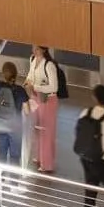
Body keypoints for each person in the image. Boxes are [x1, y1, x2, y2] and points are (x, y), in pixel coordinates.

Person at [24, 45, 63, 175]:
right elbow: (30, 74)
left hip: (48, 100)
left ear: (44, 50)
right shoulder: (32, 60)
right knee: (38, 128)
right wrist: (28, 82)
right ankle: (40, 156)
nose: (33, 50)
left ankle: (47, 164)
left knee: (46, 131)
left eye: (37, 48)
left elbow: (54, 87)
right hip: (36, 97)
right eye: (33, 47)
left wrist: (35, 86)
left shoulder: (49, 65)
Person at [0, 62, 31, 171]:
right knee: (14, 155)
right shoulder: (21, 91)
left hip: (0, 123)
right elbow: (27, 111)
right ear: (16, 74)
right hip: (15, 127)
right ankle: (13, 184)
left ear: (3, 74)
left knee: (1, 151)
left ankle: (0, 178)